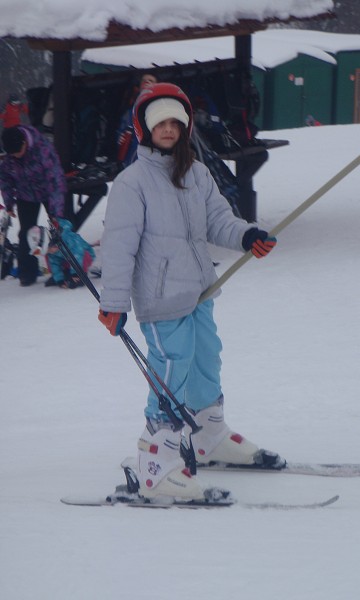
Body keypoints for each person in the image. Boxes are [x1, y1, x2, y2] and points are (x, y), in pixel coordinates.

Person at [98, 82, 280, 502]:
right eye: (159, 121)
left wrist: (247, 234)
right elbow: (119, 247)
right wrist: (113, 302)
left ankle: (209, 435)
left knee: (204, 358)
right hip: (160, 299)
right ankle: (155, 461)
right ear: (143, 127)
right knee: (171, 369)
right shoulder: (132, 183)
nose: (168, 128)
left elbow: (219, 220)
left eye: (175, 122)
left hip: (199, 290)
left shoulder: (195, 173)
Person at [0, 125, 66, 286]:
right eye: (13, 154)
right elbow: (5, 179)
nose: (17, 156)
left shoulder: (42, 149)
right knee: (25, 233)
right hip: (25, 194)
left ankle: (65, 269)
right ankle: (27, 273)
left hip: (49, 191)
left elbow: (56, 181)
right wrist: (9, 202)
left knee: (59, 229)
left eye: (19, 152)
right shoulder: (10, 157)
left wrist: (56, 213)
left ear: (25, 142)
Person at [27, 218, 95, 289]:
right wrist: (59, 280)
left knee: (83, 256)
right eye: (48, 251)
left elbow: (78, 254)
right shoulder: (51, 250)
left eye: (49, 249)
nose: (50, 252)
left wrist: (75, 273)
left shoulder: (68, 238)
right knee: (50, 260)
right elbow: (54, 263)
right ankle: (65, 274)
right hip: (67, 259)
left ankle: (80, 275)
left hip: (82, 256)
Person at [117, 73, 158, 166]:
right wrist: (120, 138)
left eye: (151, 81)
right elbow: (121, 133)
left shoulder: (162, 110)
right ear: (139, 87)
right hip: (131, 162)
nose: (147, 82)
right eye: (144, 80)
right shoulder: (129, 113)